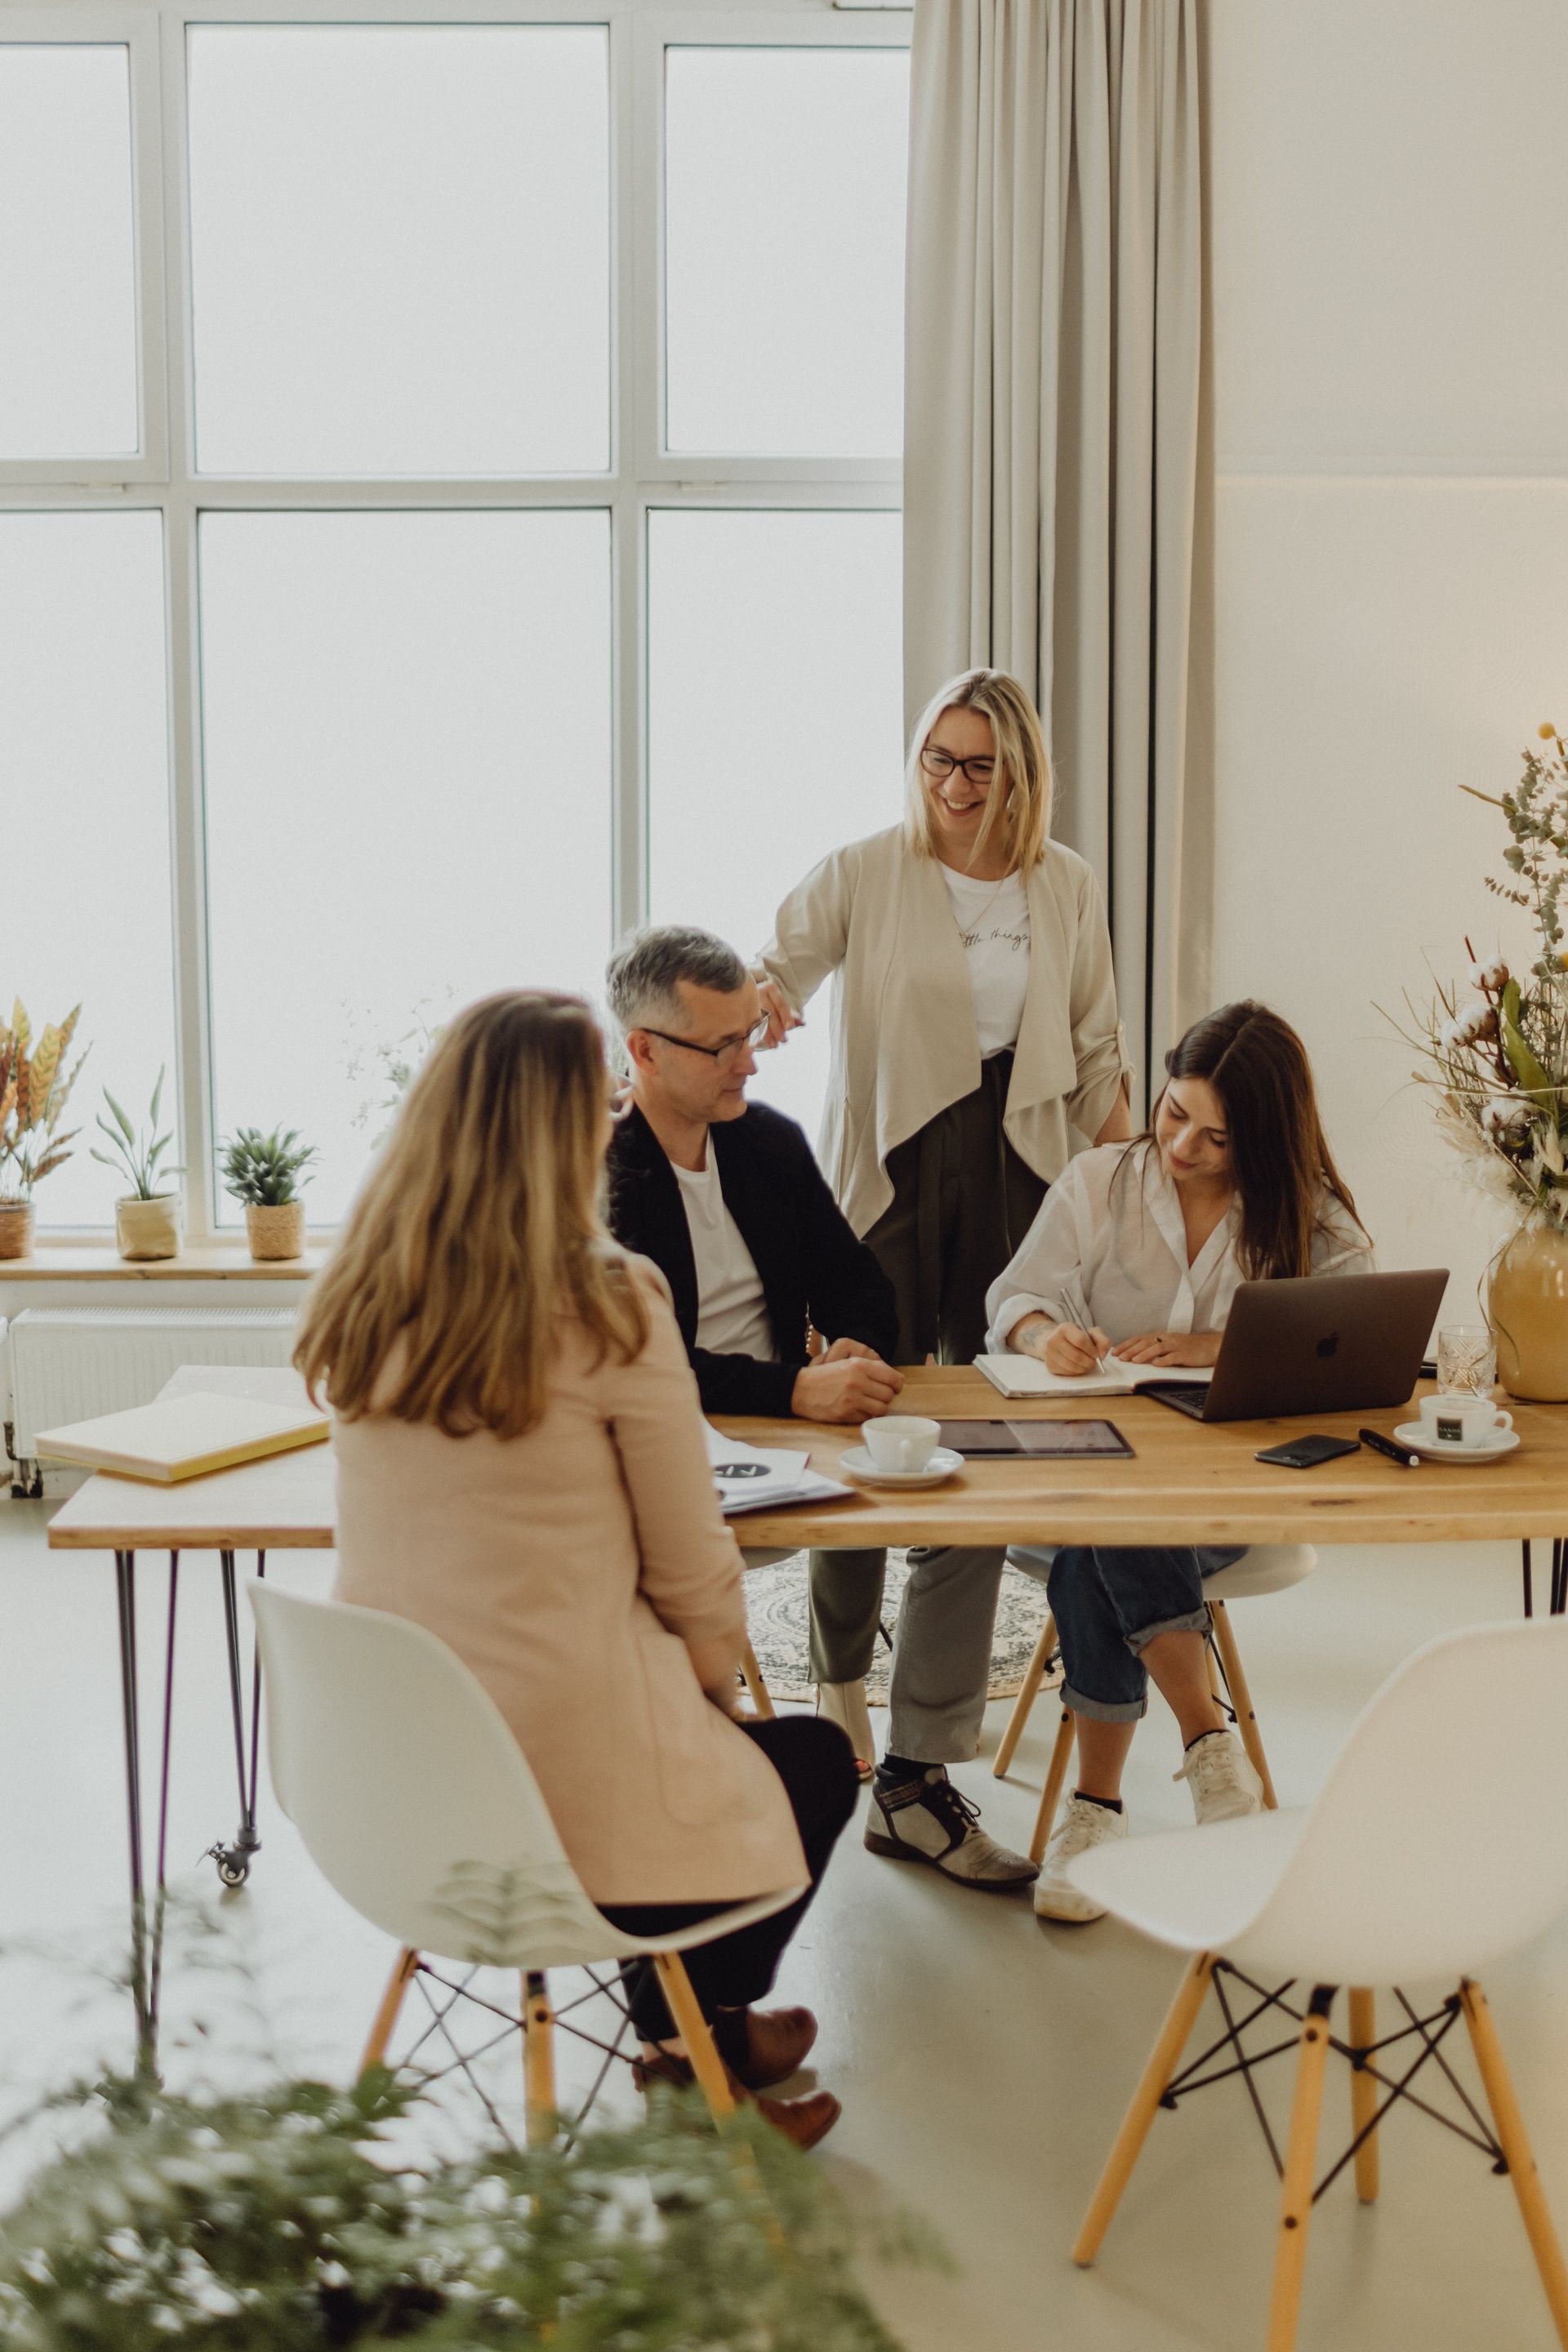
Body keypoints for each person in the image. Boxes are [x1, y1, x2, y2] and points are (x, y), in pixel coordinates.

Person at [296, 990, 858, 2148]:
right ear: (563, 1133)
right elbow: (696, 1575)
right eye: (600, 1102)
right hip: (555, 1814)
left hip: (388, 1790)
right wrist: (710, 1693)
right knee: (810, 1758)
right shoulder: (609, 1301)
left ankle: (704, 2037)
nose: (613, 1123)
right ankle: (688, 2059)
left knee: (726, 1743)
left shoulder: (357, 1295)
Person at [752, 667, 1133, 1869]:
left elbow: (1095, 1047)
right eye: (937, 761)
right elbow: (778, 965)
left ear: (1020, 773)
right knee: (867, 1411)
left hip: (1020, 1157)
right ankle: (840, 1677)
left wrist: (1138, 1202)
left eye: (980, 767)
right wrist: (755, 1010)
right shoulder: (870, 868)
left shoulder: (1062, 884)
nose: (955, 787)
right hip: (896, 1167)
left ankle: (928, 1740)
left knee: (985, 1431)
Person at [604, 927, 1037, 1892]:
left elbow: (858, 1281)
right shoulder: (597, 1176)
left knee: (968, 1515)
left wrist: (847, 1345)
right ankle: (677, 1798)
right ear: (643, 1050)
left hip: (790, 1442)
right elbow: (636, 1366)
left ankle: (913, 1782)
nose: (748, 1060)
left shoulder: (767, 1143)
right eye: (722, 1045)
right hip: (662, 1461)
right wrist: (790, 1388)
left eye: (749, 1033)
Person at [985, 1000, 1374, 1923]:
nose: (1183, 1147)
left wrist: (1221, 1347)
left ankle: (1096, 1813)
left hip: (1237, 1496)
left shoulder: (1309, 1216)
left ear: (1268, 1140)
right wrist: (1047, 1339)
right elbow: (1015, 1297)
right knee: (1109, 1527)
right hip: (1093, 1470)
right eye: (1172, 1113)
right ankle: (1212, 1751)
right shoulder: (1096, 1181)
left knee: (1099, 1550)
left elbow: (1355, 1334)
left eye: (1218, 1137)